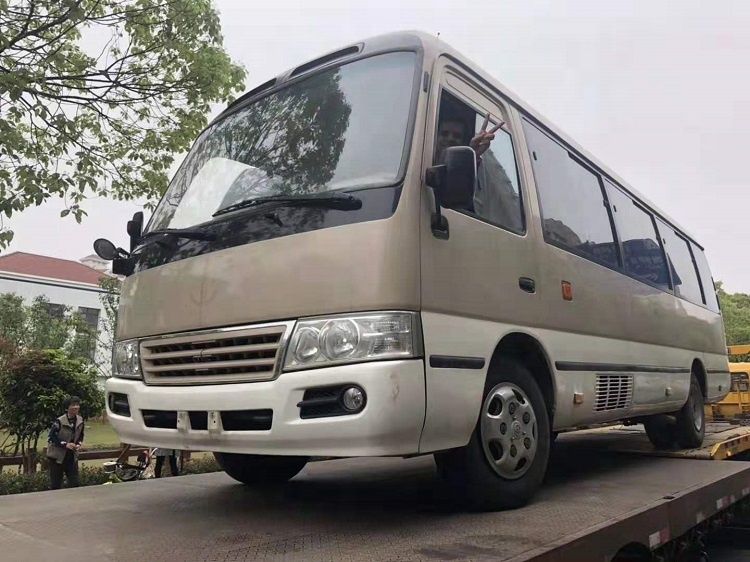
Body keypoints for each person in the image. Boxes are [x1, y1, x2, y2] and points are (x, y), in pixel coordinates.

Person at [47, 396, 85, 490]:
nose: (76, 407)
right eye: (73, 405)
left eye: (77, 405)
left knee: (74, 483)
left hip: (71, 456)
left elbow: (80, 435)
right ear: (67, 407)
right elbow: (52, 437)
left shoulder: (80, 420)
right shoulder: (59, 421)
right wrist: (65, 444)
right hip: (57, 456)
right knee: (56, 485)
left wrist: (78, 444)